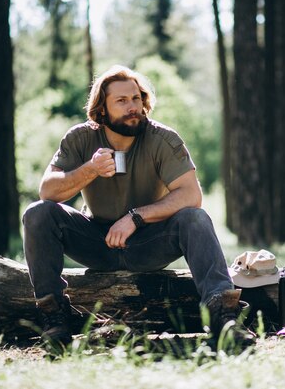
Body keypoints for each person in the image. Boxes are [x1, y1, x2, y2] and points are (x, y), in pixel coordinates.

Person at [22, 64, 254, 350]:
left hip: (148, 242)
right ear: (102, 109)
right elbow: (48, 190)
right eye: (121, 101)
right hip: (96, 241)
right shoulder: (80, 137)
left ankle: (224, 319)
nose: (133, 107)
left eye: (136, 98)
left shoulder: (162, 139)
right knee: (37, 213)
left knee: (195, 218)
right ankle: (54, 318)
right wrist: (90, 169)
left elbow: (191, 195)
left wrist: (136, 217)